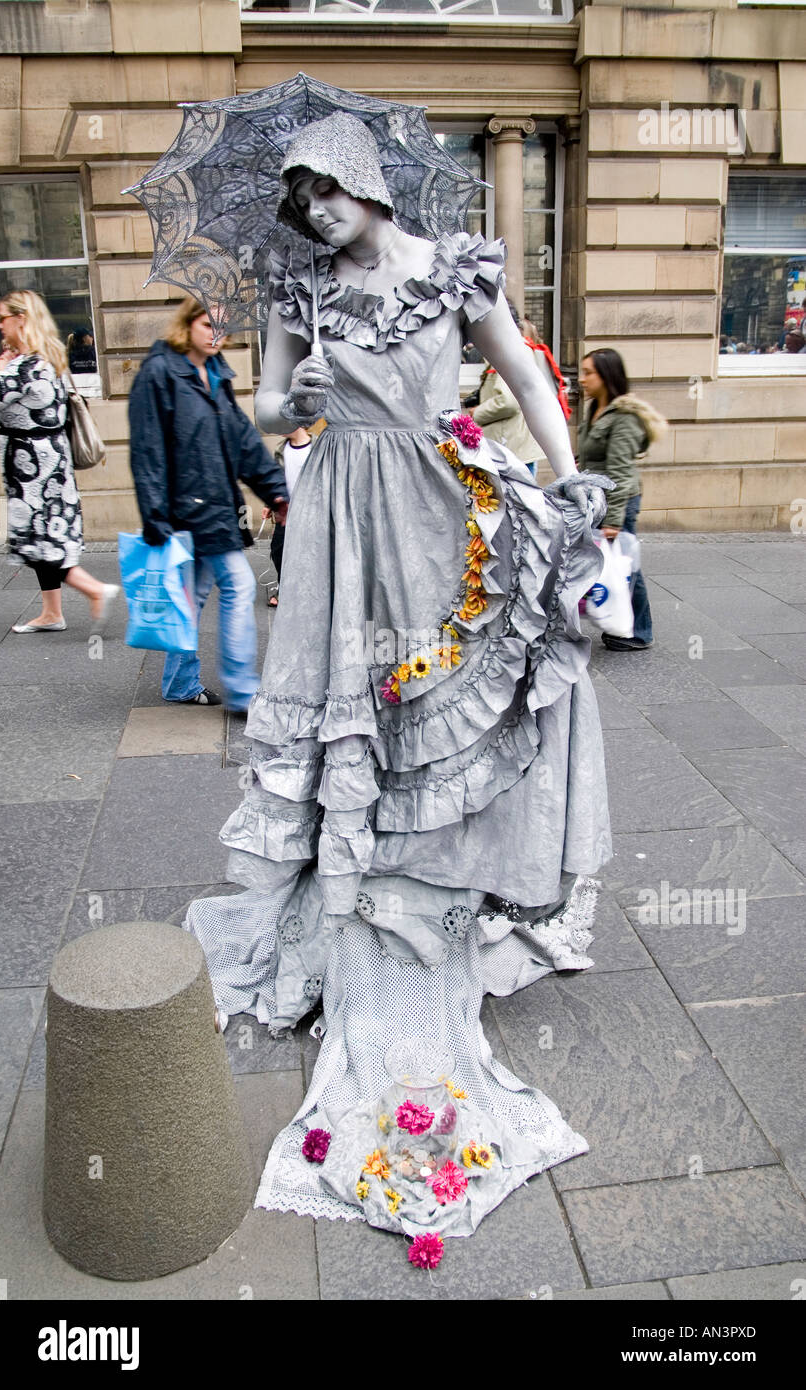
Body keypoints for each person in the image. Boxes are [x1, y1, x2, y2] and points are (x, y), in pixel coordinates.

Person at [185, 112, 612, 1236]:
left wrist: (568, 487)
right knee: (353, 704)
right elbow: (267, 406)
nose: (315, 208)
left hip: (440, 498)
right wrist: (298, 398)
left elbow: (520, 372)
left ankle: (443, 875)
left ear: (369, 180)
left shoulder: (455, 268)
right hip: (340, 512)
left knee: (460, 690)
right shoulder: (299, 292)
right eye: (299, 197)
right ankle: (364, 878)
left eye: (327, 186)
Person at [128, 297, 289, 711]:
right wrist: (154, 515)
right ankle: (240, 692)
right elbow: (147, 449)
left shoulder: (215, 374)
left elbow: (242, 440)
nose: (216, 333)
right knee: (238, 585)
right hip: (186, 509)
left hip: (215, 504)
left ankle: (180, 683)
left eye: (222, 325)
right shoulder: (160, 373)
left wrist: (273, 488)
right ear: (187, 325)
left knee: (191, 597)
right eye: (207, 324)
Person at [0, 290, 118, 633]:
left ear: (21, 319)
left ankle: (95, 590)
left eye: (4, 317)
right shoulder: (49, 358)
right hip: (47, 467)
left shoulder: (27, 365)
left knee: (38, 543)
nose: (0, 325)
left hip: (34, 473)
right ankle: (51, 613)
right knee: (45, 538)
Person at [577, 347, 667, 652]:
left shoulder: (624, 417)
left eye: (589, 372)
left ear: (607, 376)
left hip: (619, 501)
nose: (582, 379)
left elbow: (621, 473)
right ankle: (619, 621)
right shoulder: (596, 410)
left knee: (625, 564)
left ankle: (640, 632)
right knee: (613, 563)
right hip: (598, 498)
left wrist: (614, 519)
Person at [470, 305, 557, 478]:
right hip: (512, 449)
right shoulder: (514, 349)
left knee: (512, 503)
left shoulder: (510, 351)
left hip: (511, 450)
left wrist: (477, 412)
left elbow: (508, 402)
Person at [265, 425, 314, 607]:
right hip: (286, 512)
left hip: (312, 512)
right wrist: (269, 504)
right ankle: (284, 588)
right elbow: (275, 481)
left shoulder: (317, 446)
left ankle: (311, 591)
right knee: (279, 550)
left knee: (311, 552)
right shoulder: (280, 449)